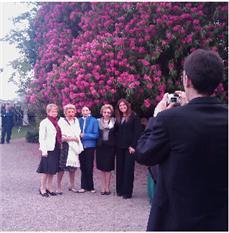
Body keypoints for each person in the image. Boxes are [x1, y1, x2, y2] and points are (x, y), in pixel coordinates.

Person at [135, 49, 228, 231]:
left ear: (187, 79)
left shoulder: (169, 120)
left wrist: (156, 116)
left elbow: (143, 154)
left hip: (176, 219)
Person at [115, 99, 142, 199]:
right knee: (120, 169)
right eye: (120, 106)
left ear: (127, 105)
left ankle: (127, 192)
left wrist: (133, 146)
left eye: (123, 105)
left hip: (130, 148)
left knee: (128, 169)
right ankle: (120, 190)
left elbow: (137, 132)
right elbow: (115, 131)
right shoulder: (119, 117)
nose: (122, 107)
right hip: (120, 147)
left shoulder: (134, 116)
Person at [57, 104, 84, 194]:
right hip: (65, 146)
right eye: (69, 112)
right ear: (65, 113)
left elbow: (78, 132)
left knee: (73, 168)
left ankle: (71, 186)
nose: (71, 113)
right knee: (62, 167)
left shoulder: (76, 121)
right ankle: (58, 186)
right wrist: (72, 138)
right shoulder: (61, 121)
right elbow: (61, 136)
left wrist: (78, 137)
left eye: (72, 112)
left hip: (74, 147)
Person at [37, 104, 61, 197]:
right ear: (48, 112)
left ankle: (49, 188)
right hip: (47, 150)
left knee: (52, 170)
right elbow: (41, 138)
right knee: (45, 170)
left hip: (56, 148)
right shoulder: (44, 122)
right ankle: (42, 188)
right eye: (53, 111)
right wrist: (44, 150)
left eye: (56, 111)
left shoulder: (56, 122)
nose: (55, 113)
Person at [78, 106, 99, 193]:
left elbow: (96, 135)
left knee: (89, 166)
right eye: (83, 110)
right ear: (81, 112)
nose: (85, 112)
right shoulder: (78, 120)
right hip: (80, 146)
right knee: (82, 166)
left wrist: (85, 135)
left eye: (86, 110)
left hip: (90, 146)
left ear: (89, 111)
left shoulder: (94, 120)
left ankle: (91, 186)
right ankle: (83, 186)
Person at [96, 104, 116, 195]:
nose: (107, 114)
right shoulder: (97, 121)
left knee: (108, 168)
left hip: (110, 147)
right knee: (101, 168)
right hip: (101, 147)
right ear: (102, 113)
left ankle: (107, 187)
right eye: (105, 112)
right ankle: (103, 187)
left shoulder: (114, 121)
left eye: (108, 112)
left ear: (111, 113)